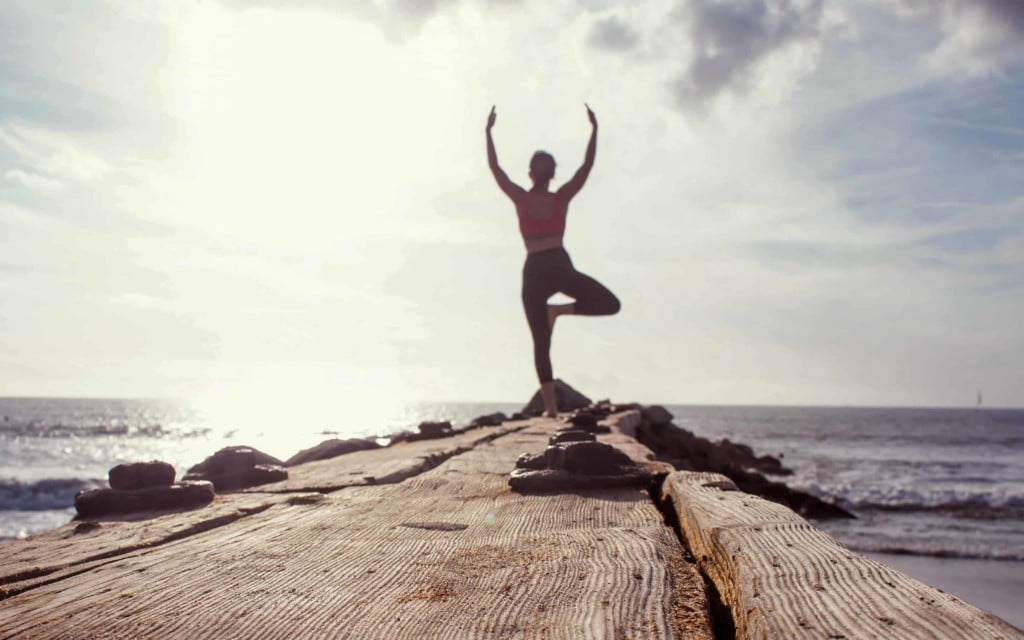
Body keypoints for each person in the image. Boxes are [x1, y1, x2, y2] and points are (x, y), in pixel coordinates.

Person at [486, 104, 621, 417]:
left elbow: (496, 170)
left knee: (543, 339)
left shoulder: (533, 198)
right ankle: (550, 407)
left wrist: (488, 133)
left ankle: (550, 407)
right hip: (551, 266)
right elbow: (585, 168)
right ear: (545, 172)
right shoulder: (547, 198)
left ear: (534, 172)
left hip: (542, 268)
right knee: (552, 334)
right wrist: (594, 131)